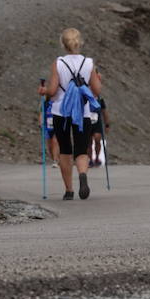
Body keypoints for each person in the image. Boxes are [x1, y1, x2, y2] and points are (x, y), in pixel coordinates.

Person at [38, 28, 102, 200]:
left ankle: (69, 190)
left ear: (63, 44)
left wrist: (43, 91)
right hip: (83, 112)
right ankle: (82, 175)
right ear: (80, 42)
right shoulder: (89, 63)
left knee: (65, 149)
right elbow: (97, 90)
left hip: (61, 112)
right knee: (81, 150)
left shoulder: (58, 63)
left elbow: (52, 91)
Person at [88, 95, 110, 168]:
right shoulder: (85, 97)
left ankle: (97, 157)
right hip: (87, 122)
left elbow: (104, 112)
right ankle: (90, 159)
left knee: (97, 139)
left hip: (97, 123)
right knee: (89, 142)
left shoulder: (100, 99)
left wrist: (107, 124)